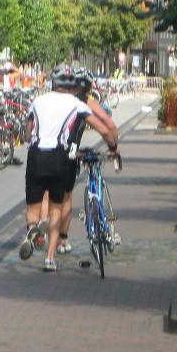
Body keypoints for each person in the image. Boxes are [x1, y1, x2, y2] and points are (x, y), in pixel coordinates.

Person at [19, 64, 118, 271]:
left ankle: (33, 228)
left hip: (36, 156)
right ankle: (50, 258)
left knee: (33, 207)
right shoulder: (77, 104)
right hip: (60, 157)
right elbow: (103, 128)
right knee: (56, 207)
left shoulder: (38, 101)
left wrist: (30, 138)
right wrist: (113, 147)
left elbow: (28, 132)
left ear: (53, 83)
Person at [55, 67, 119, 255]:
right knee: (66, 197)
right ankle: (62, 240)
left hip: (47, 151)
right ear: (89, 87)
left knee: (49, 196)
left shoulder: (58, 99)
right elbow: (110, 125)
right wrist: (114, 148)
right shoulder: (86, 102)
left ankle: (41, 229)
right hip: (71, 151)